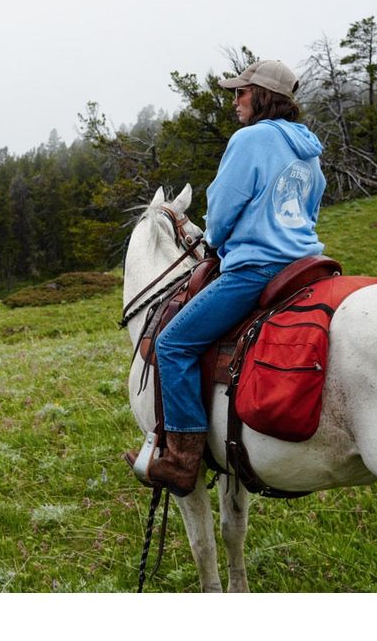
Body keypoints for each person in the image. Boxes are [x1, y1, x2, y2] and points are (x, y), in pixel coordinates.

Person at [125, 59, 327, 496]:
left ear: (264, 97)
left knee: (172, 343)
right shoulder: (310, 148)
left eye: (242, 92)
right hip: (305, 267)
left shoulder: (250, 139)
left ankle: (180, 459)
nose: (235, 100)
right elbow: (312, 207)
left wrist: (214, 242)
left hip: (255, 270)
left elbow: (223, 206)